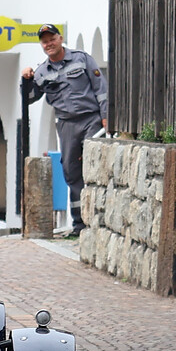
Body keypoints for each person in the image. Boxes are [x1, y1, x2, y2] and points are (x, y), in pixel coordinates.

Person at [21, 25, 108, 235]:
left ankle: (99, 218)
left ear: (60, 39)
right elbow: (29, 98)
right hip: (66, 124)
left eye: (52, 39)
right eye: (44, 41)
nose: (49, 44)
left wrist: (106, 116)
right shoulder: (42, 72)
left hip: (91, 119)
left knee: (92, 162)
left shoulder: (82, 59)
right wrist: (26, 80)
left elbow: (101, 88)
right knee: (71, 171)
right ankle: (80, 224)